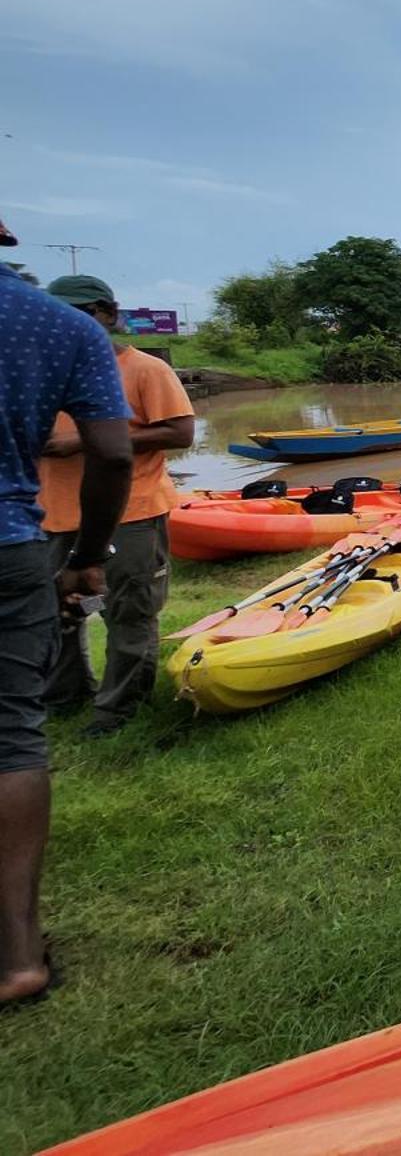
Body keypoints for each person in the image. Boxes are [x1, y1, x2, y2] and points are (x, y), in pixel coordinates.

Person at [0, 223, 132, 1007]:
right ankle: (17, 952)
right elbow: (112, 452)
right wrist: (88, 553)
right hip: (13, 541)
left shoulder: (104, 339)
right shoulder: (58, 325)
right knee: (11, 734)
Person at [39, 276, 194, 737]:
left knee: (128, 610)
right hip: (52, 513)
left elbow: (180, 433)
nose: (69, 322)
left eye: (82, 312)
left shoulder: (144, 369)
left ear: (108, 314)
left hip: (131, 512)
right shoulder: (37, 372)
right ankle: (64, 696)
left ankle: (118, 712)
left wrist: (78, 442)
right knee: (55, 611)